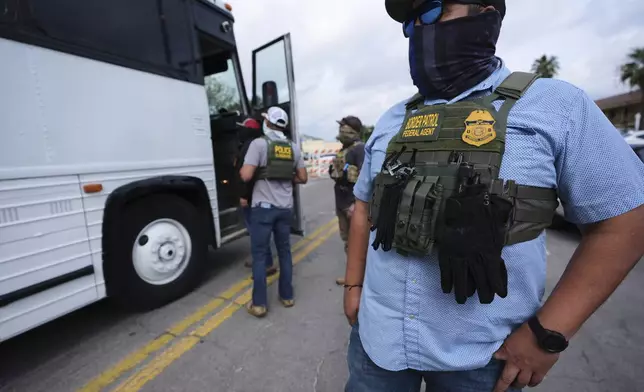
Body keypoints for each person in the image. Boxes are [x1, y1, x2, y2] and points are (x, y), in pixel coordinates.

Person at [343, 1, 644, 391]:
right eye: (411, 23)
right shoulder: (391, 120)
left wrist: (546, 336)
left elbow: (626, 222)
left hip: (483, 359)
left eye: (433, 13)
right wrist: (354, 287)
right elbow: (364, 206)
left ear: (484, 12)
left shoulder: (555, 106)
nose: (420, 29)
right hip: (377, 343)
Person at [240, 106, 308, 317]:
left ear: (267, 122)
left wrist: (261, 173)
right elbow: (303, 178)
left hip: (263, 209)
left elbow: (245, 175)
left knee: (260, 256)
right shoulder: (293, 148)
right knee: (285, 253)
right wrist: (285, 177)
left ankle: (259, 304)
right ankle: (287, 296)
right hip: (285, 209)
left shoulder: (259, 144)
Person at [234, 117, 277, 275]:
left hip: (253, 197)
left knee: (256, 231)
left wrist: (245, 195)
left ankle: (267, 264)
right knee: (256, 231)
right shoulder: (258, 144)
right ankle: (262, 260)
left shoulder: (251, 146)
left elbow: (248, 175)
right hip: (258, 195)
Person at [328, 116, 366, 286]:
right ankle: (353, 276)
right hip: (341, 202)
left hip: (352, 203)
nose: (341, 130)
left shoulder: (360, 150)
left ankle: (361, 279)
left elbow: (365, 179)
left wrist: (357, 204)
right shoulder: (344, 149)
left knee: (357, 244)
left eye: (344, 127)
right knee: (348, 242)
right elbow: (333, 173)